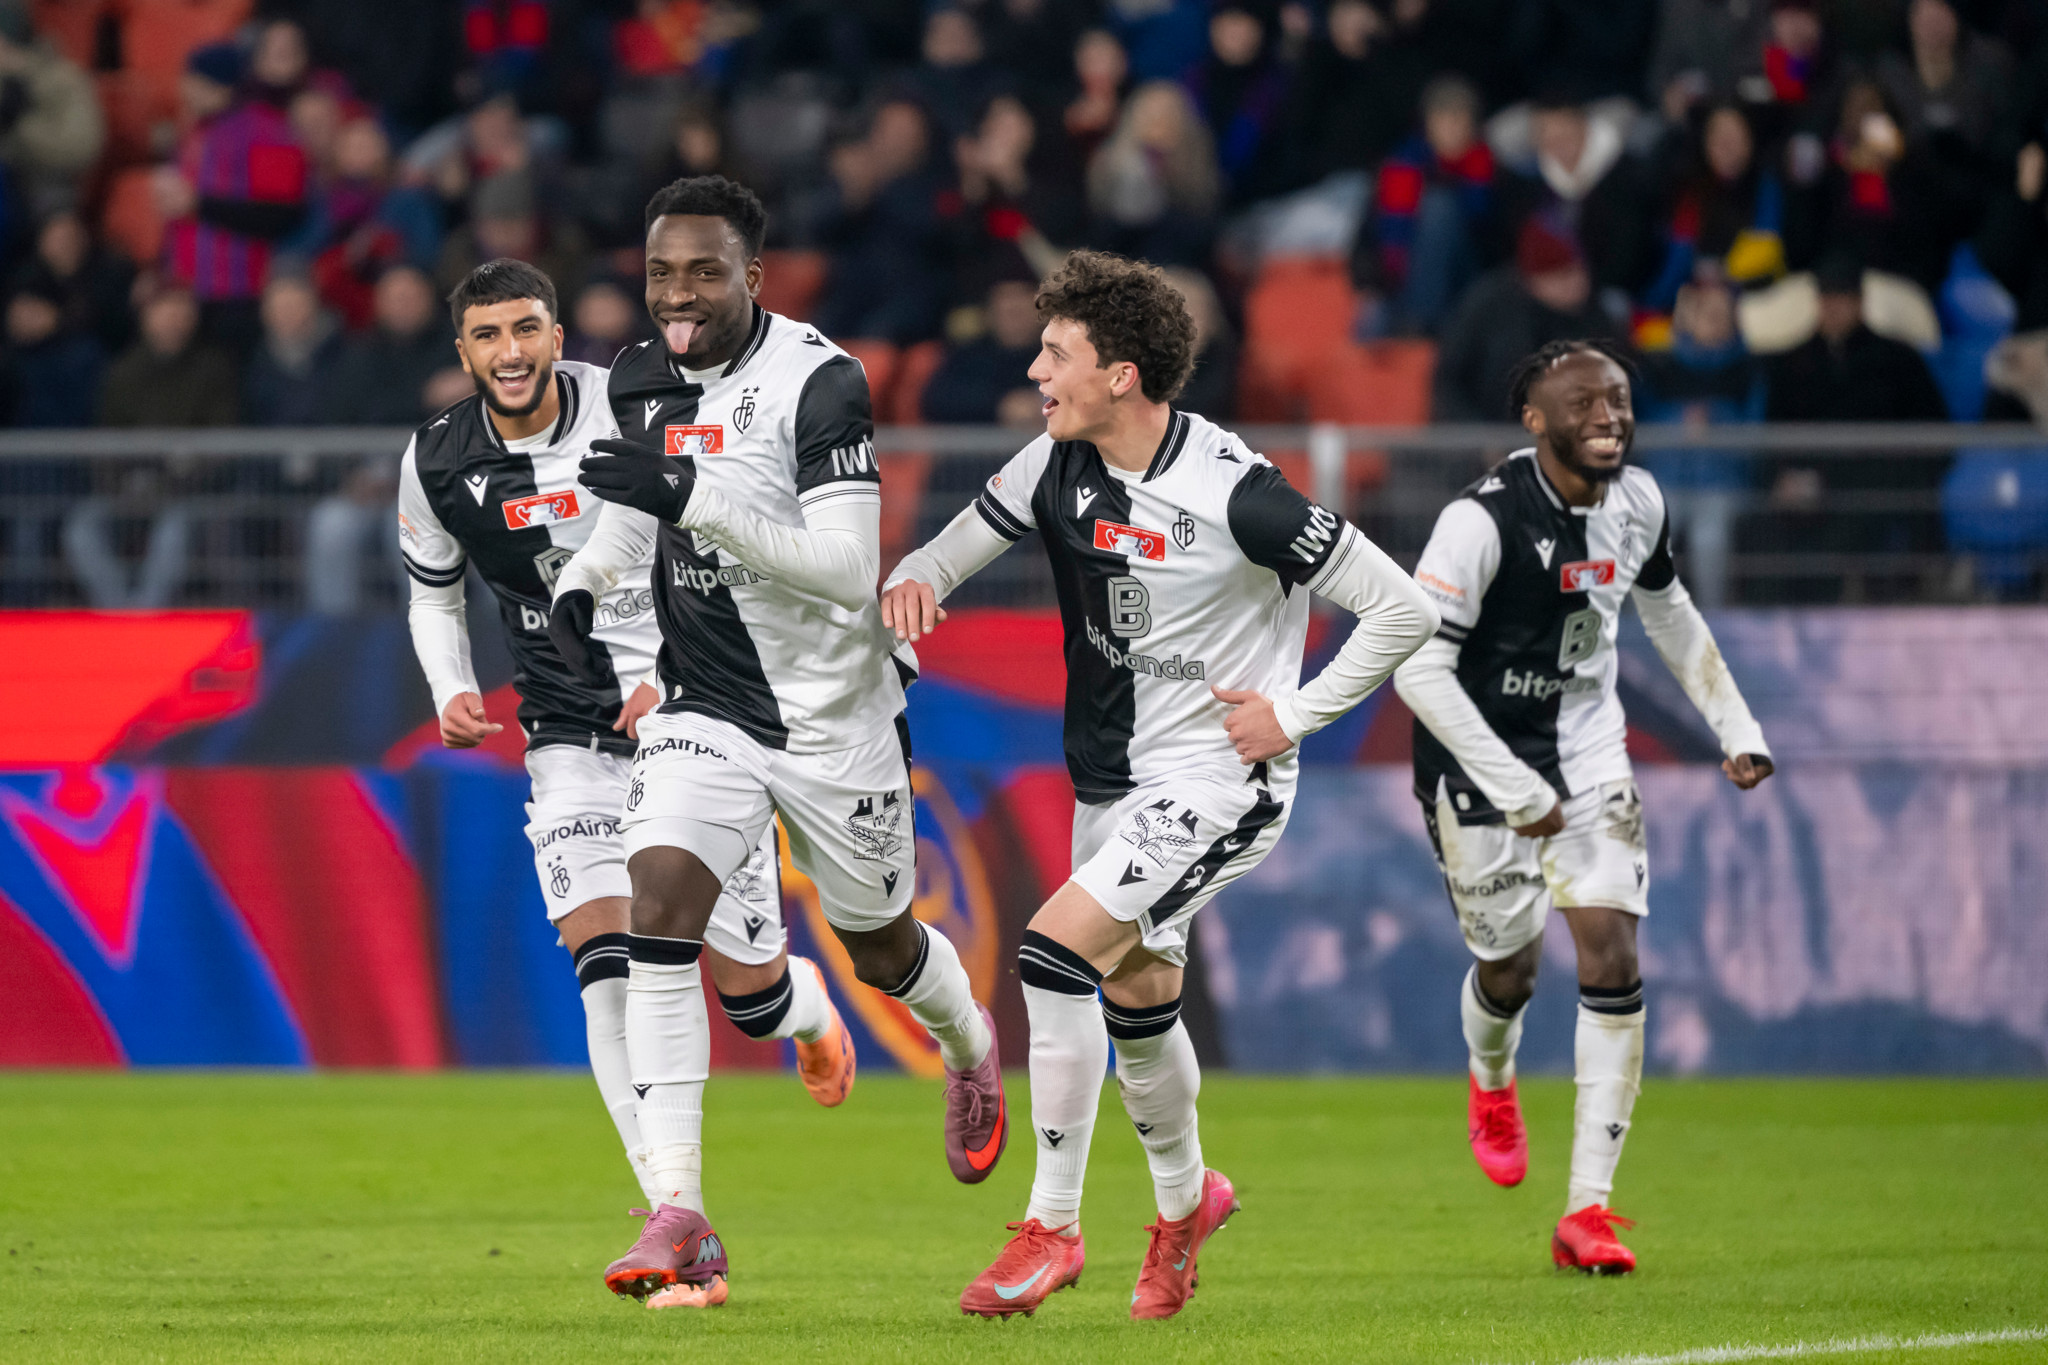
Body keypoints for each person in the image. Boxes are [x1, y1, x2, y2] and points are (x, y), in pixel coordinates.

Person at [880, 250, 1438, 1321]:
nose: (1035, 371)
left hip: (1221, 780)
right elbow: (940, 557)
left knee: (1051, 955)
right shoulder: (1052, 464)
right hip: (1108, 786)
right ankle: (1187, 1205)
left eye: (1056, 354)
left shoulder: (1237, 491)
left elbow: (1402, 608)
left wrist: (1296, 713)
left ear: (1121, 375)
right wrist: (912, 583)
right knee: (1138, 1008)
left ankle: (1051, 1228)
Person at [542, 177, 1005, 1305]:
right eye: (660, 272)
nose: (677, 294)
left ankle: (969, 1046)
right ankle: (680, 1213)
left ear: (753, 276)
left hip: (833, 715)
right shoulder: (641, 375)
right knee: (657, 908)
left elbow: (847, 571)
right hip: (704, 702)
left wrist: (689, 492)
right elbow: (634, 507)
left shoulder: (819, 380)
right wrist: (583, 580)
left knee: (880, 950)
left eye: (703, 272)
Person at [400, 259, 855, 1307]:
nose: (510, 352)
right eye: (487, 336)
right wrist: (451, 686)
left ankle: (804, 1010)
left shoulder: (635, 406)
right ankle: (676, 1223)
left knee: (749, 997)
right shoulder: (435, 458)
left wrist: (674, 673)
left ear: (557, 335)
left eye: (526, 329)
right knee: (608, 967)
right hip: (564, 736)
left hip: (695, 716)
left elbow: (723, 530)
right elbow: (433, 591)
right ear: (462, 352)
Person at [1393, 339, 1775, 1275]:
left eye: (1619, 400)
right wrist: (1514, 786)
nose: (1608, 417)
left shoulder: (1640, 501)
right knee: (1511, 970)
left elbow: (1669, 610)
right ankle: (1491, 1077)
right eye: (1584, 404)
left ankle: (1587, 1209)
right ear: (1534, 420)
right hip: (1476, 766)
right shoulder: (1478, 522)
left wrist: (1735, 724)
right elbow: (1418, 669)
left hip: (1590, 753)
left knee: (1611, 949)